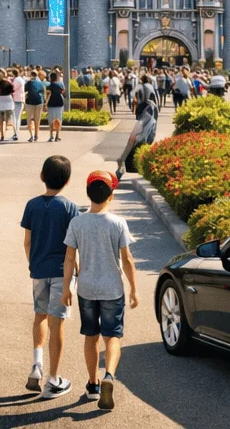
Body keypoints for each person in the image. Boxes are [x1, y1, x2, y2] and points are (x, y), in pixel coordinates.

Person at [62, 171, 138, 410]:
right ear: (111, 196)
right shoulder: (117, 223)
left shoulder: (77, 223)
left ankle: (93, 385)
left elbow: (69, 258)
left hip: (86, 288)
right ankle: (109, 376)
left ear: (88, 193)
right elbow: (127, 260)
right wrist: (134, 289)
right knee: (112, 336)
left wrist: (67, 288)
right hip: (112, 289)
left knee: (90, 336)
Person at [19, 155, 79, 400]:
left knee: (39, 316)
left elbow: (27, 242)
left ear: (42, 176)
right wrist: (76, 272)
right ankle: (53, 379)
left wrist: (33, 263)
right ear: (68, 180)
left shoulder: (31, 205)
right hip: (61, 272)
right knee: (58, 324)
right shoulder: (69, 207)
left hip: (39, 270)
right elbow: (73, 246)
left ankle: (37, 364)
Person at [46, 70, 66, 143]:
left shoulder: (49, 86)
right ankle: (57, 136)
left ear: (51, 78)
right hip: (59, 104)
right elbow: (63, 92)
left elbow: (48, 95)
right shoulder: (60, 85)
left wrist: (45, 104)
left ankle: (51, 136)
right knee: (58, 120)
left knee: (51, 121)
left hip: (51, 104)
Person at [0, 72, 15, 142]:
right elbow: (13, 91)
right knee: (10, 119)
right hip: (8, 100)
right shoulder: (9, 82)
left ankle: (2, 135)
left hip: (1, 101)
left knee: (1, 121)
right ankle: (14, 133)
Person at [11, 69, 25, 141]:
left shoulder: (16, 80)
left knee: (15, 118)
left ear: (14, 74)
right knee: (18, 117)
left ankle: (16, 133)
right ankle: (16, 132)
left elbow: (13, 89)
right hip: (21, 99)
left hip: (17, 100)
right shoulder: (21, 79)